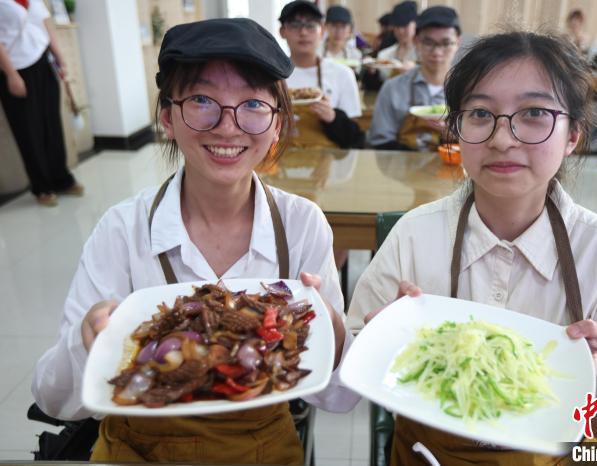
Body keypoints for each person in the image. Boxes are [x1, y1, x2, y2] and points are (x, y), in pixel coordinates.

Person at [31, 18, 360, 464]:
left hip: (262, 450)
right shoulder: (122, 230)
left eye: (252, 104)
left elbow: (338, 399)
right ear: (168, 117)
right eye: (203, 101)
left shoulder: (301, 225)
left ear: (278, 123)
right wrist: (86, 342)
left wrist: (334, 331)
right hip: (138, 448)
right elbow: (54, 401)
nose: (228, 127)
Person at [348, 30, 597, 465]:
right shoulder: (414, 234)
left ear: (573, 133)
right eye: (480, 113)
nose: (502, 138)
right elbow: (349, 371)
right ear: (457, 129)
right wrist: (382, 343)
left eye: (534, 112)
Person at [0, 0, 83, 207]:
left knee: (51, 125)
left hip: (42, 63)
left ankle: (61, 179)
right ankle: (42, 186)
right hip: (15, 69)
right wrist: (11, 75)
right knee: (28, 131)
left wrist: (59, 57)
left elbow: (45, 25)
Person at [368, 6, 460, 151]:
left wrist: (454, 137)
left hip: (453, 171)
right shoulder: (393, 88)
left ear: (457, 43)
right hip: (401, 170)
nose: (437, 52)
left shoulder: (468, 91)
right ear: (417, 42)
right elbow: (380, 143)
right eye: (429, 43)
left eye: (446, 43)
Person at [279, 0, 363, 149]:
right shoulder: (271, 76)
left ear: (322, 31)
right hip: (281, 161)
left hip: (327, 163)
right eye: (294, 25)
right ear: (282, 31)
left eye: (311, 26)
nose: (303, 32)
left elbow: (355, 137)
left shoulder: (343, 74)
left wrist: (333, 118)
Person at [320, 5, 362, 73]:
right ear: (326, 26)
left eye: (343, 26)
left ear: (350, 29)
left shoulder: (355, 55)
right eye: (334, 25)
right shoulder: (315, 52)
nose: (338, 31)